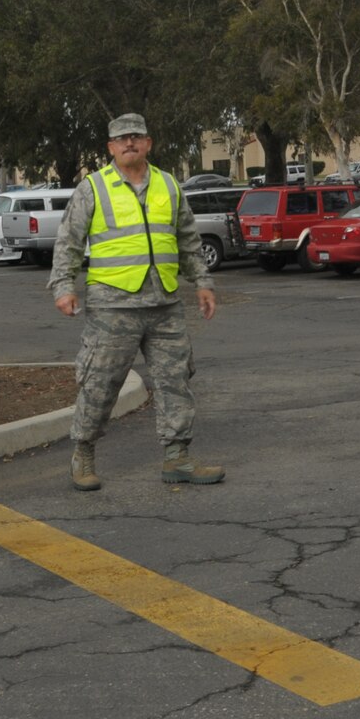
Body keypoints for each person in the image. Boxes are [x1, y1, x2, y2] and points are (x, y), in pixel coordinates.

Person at [49, 112, 222, 490]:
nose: (130, 143)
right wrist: (63, 286)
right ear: (111, 148)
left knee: (176, 380)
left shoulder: (169, 185)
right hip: (113, 307)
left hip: (165, 304)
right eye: (122, 138)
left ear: (148, 143)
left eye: (137, 137)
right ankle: (83, 454)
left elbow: (189, 241)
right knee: (100, 383)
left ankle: (177, 458)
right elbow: (69, 242)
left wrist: (202, 283)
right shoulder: (93, 188)